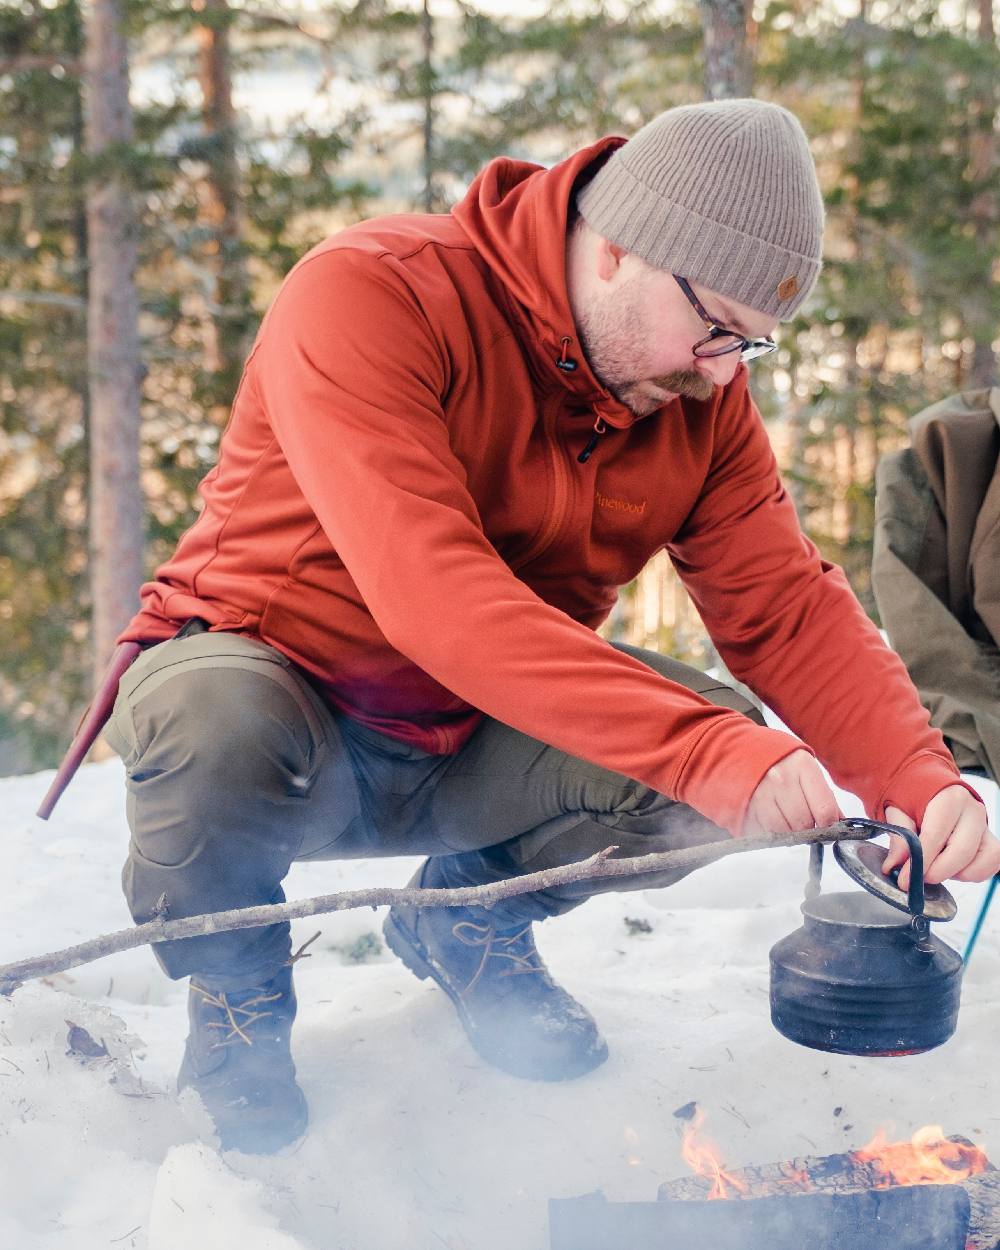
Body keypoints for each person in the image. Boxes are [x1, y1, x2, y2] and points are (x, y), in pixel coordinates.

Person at [105, 99, 1000, 1155]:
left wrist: (915, 775)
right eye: (715, 327)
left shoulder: (695, 395)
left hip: (466, 739)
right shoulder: (372, 295)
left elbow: (785, 606)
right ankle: (235, 990)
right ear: (617, 248)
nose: (724, 370)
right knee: (211, 713)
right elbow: (433, 591)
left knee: (710, 735)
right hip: (280, 720)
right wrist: (709, 751)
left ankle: (466, 916)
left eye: (751, 341)